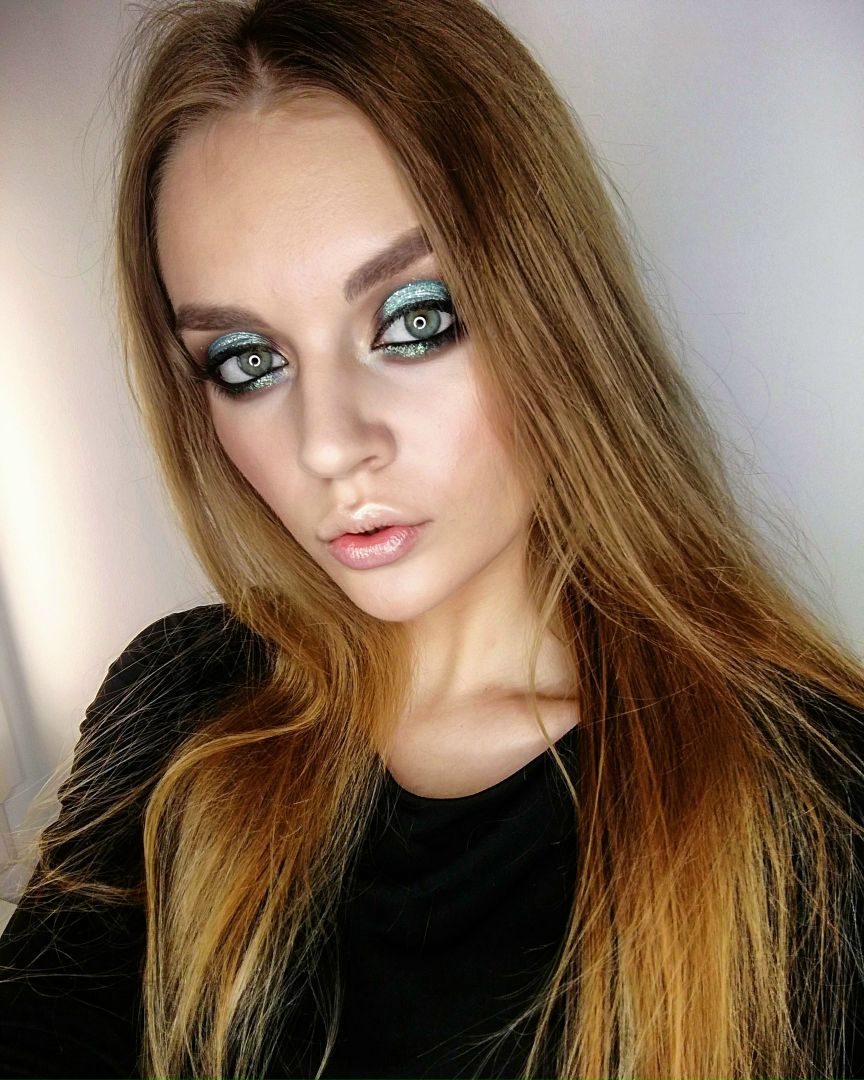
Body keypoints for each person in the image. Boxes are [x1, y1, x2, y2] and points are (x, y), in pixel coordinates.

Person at [2, 0, 864, 1077]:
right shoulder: (181, 700)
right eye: (248, 361)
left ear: (551, 309)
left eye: (414, 321)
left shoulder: (814, 802)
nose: (329, 445)